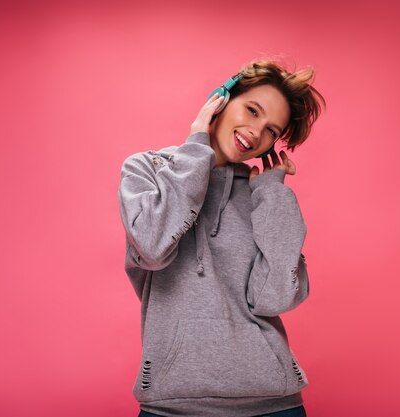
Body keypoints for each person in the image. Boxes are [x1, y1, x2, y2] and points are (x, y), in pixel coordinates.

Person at [118, 59, 325, 417]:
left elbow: (274, 298)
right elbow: (152, 248)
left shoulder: (262, 197)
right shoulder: (148, 170)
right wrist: (196, 151)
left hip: (273, 405)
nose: (255, 131)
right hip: (172, 405)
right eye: (251, 110)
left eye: (271, 130)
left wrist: (273, 195)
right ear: (221, 99)